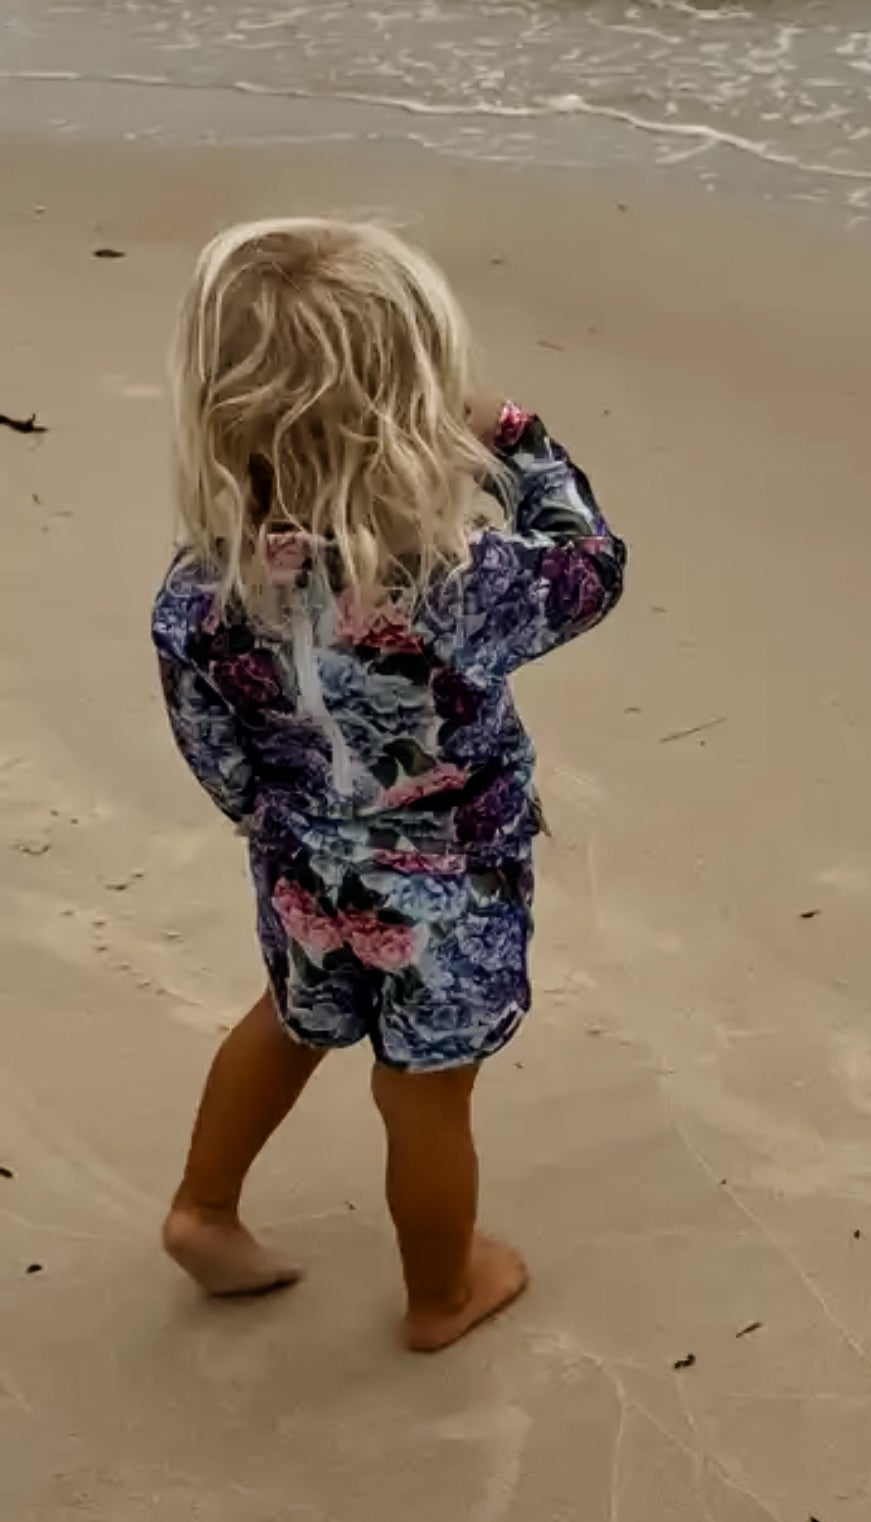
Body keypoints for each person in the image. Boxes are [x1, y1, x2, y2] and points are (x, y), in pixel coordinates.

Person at [151, 218, 625, 1350]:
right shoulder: (458, 583)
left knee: (290, 1018)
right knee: (424, 1089)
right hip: (448, 882)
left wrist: (280, 830)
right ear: (414, 409)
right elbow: (593, 563)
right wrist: (515, 433)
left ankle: (203, 1210)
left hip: (302, 867)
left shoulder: (201, 589)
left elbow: (213, 750)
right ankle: (442, 1290)